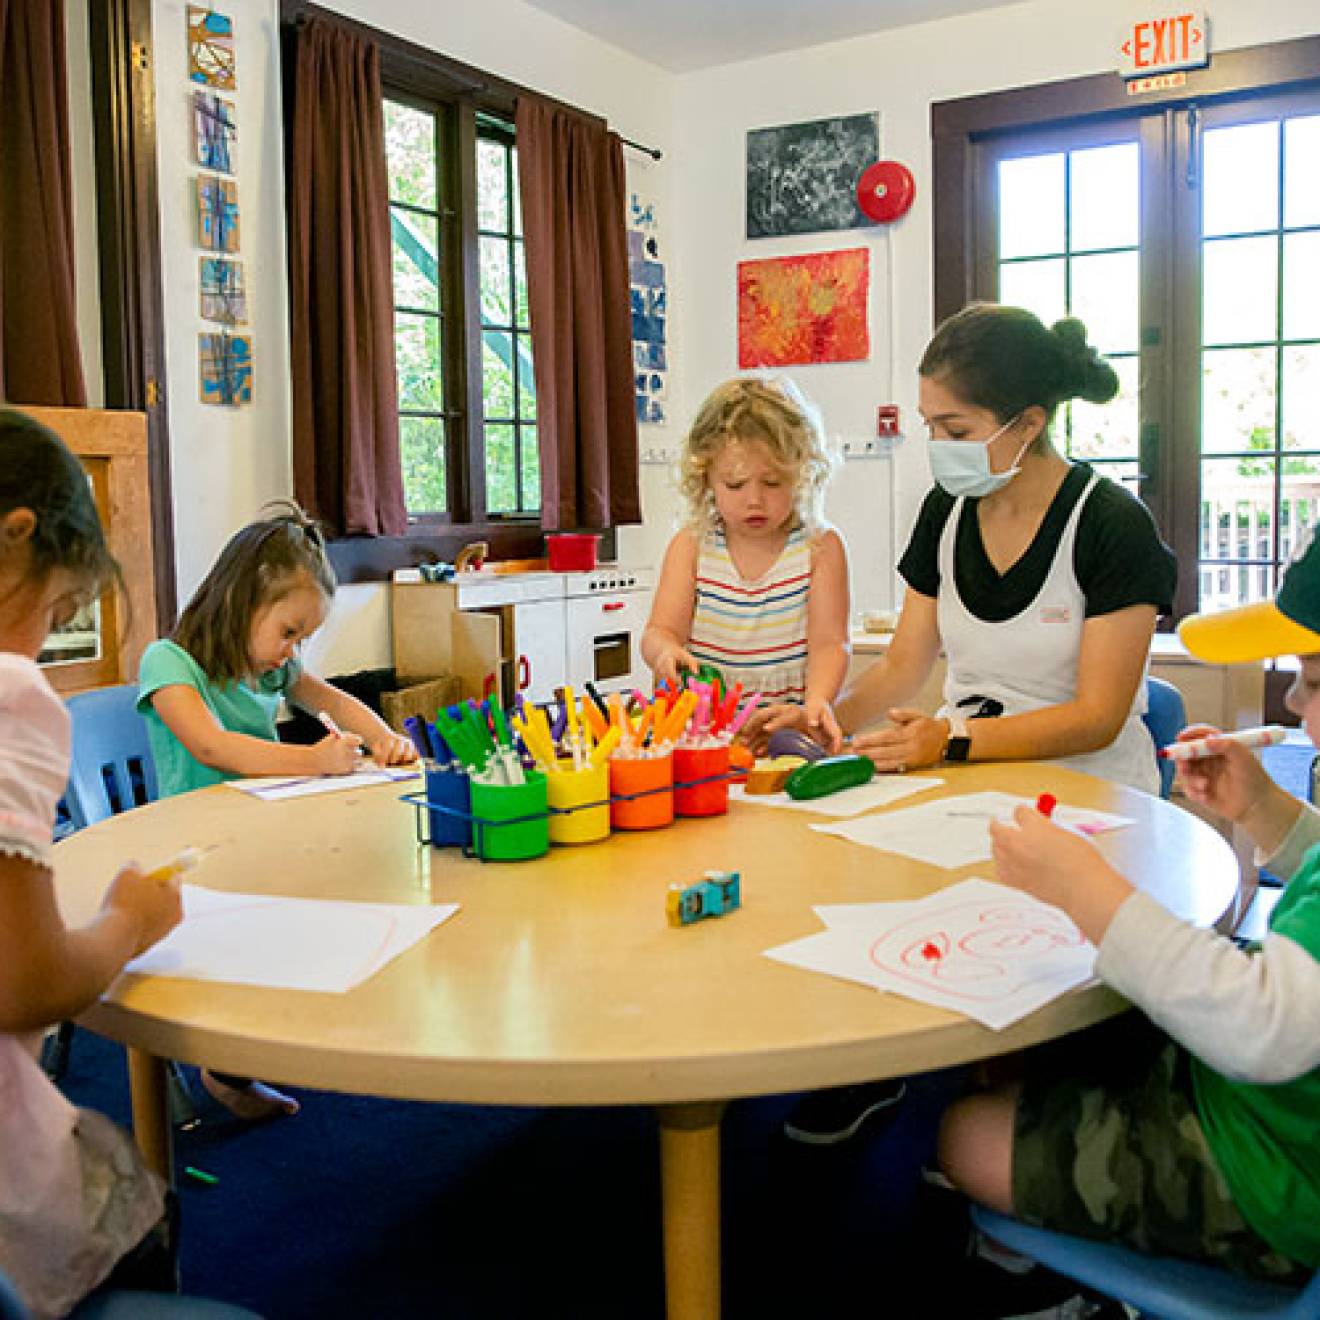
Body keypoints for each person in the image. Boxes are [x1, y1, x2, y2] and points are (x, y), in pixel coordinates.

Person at [778, 304, 1176, 1146]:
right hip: (966, 772)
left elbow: (1100, 714)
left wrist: (950, 739)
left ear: (1027, 424)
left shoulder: (1111, 524)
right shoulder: (947, 511)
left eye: (955, 426)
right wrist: (820, 717)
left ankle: (1015, 1099)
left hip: (1091, 791)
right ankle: (881, 1057)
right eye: (930, 425)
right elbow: (902, 666)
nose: (938, 444)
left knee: (1011, 933)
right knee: (857, 867)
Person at [937, 529, 1320, 1301]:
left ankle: (1040, 1288)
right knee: (1052, 1045)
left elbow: (1267, 1028)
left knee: (960, 1134)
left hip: (1274, 1175)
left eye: (1313, 680)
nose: (1291, 700)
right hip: (1266, 1110)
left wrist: (1085, 887)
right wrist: (1268, 810)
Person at [137, 502, 414, 1120]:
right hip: (193, 854)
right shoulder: (169, 662)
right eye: (289, 631)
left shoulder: (271, 671)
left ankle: (260, 1044)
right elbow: (213, 747)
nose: (293, 651)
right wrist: (312, 762)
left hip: (254, 837)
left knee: (340, 881)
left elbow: (336, 701)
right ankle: (227, 1070)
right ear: (241, 601)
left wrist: (381, 737)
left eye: (304, 638)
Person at [0, 408, 184, 1315]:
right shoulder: (9, 694)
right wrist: (127, 923)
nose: (43, 643)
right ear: (17, 537)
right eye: (60, 613)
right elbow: (27, 982)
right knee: (135, 1221)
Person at [640, 375, 850, 745]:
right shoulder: (692, 546)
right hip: (701, 739)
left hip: (781, 733)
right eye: (735, 485)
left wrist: (816, 704)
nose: (754, 500)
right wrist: (665, 653)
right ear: (705, 480)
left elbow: (829, 644)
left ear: (801, 474)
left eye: (772, 483)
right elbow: (660, 632)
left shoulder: (820, 548)